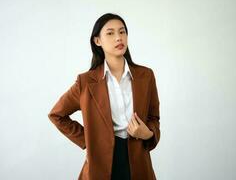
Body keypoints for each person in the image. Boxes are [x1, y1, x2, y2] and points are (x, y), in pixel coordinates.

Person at [48, 13, 160, 180]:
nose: (118, 38)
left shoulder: (146, 76)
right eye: (110, 33)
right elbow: (57, 115)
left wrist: (148, 134)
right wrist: (89, 140)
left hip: (139, 164)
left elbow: (153, 117)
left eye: (122, 32)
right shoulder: (85, 82)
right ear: (97, 41)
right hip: (100, 167)